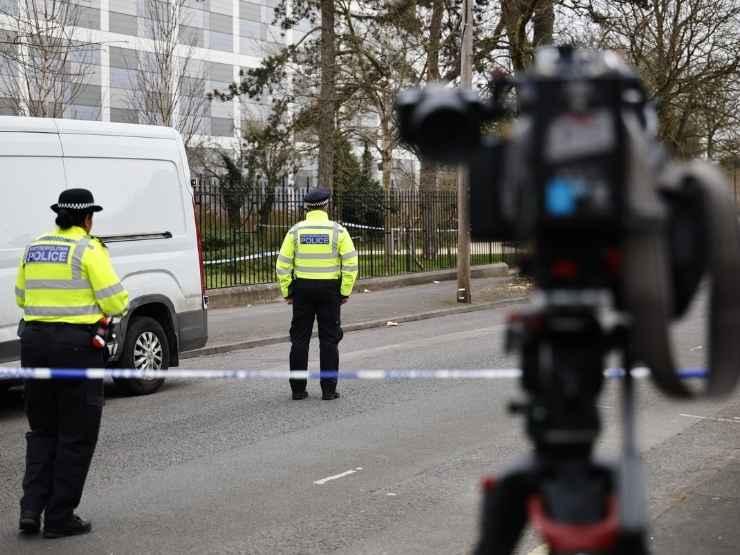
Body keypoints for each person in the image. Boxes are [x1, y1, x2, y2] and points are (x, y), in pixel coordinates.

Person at [15, 188, 129, 538]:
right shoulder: (88, 248)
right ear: (87, 218)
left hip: (34, 344)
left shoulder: (35, 246)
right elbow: (114, 301)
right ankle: (60, 516)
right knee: (76, 434)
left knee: (43, 430)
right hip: (76, 349)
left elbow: (20, 295)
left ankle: (31, 509)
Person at [276, 187, 358, 400]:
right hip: (330, 292)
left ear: (306, 207)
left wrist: (288, 291)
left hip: (302, 291)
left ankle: (298, 390)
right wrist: (344, 291)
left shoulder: (295, 231)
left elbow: (282, 264)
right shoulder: (337, 231)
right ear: (326, 205)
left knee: (300, 340)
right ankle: (329, 390)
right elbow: (351, 263)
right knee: (329, 340)